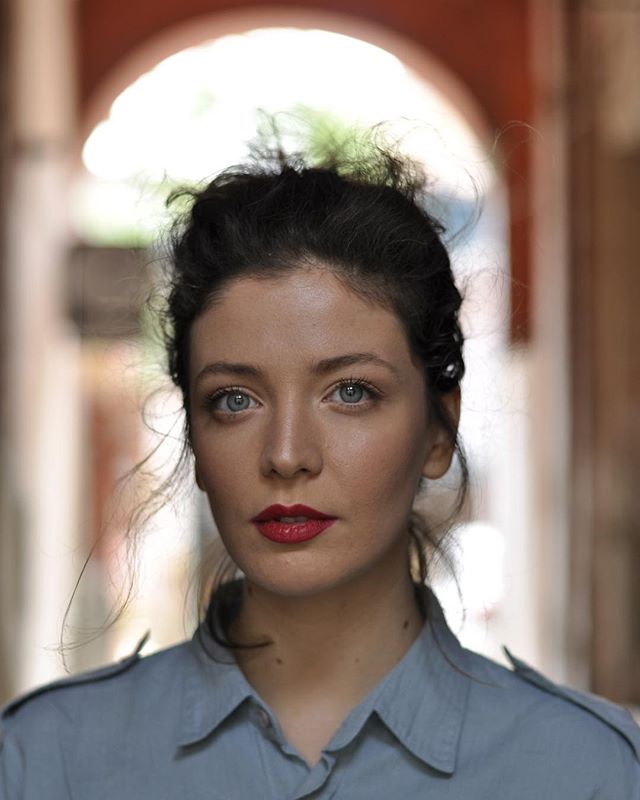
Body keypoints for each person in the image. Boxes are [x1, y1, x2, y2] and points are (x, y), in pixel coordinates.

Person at [1, 137, 639, 799]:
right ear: (194, 435)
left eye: (351, 392)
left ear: (437, 431)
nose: (286, 455)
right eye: (235, 400)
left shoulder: (588, 771)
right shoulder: (46, 760)